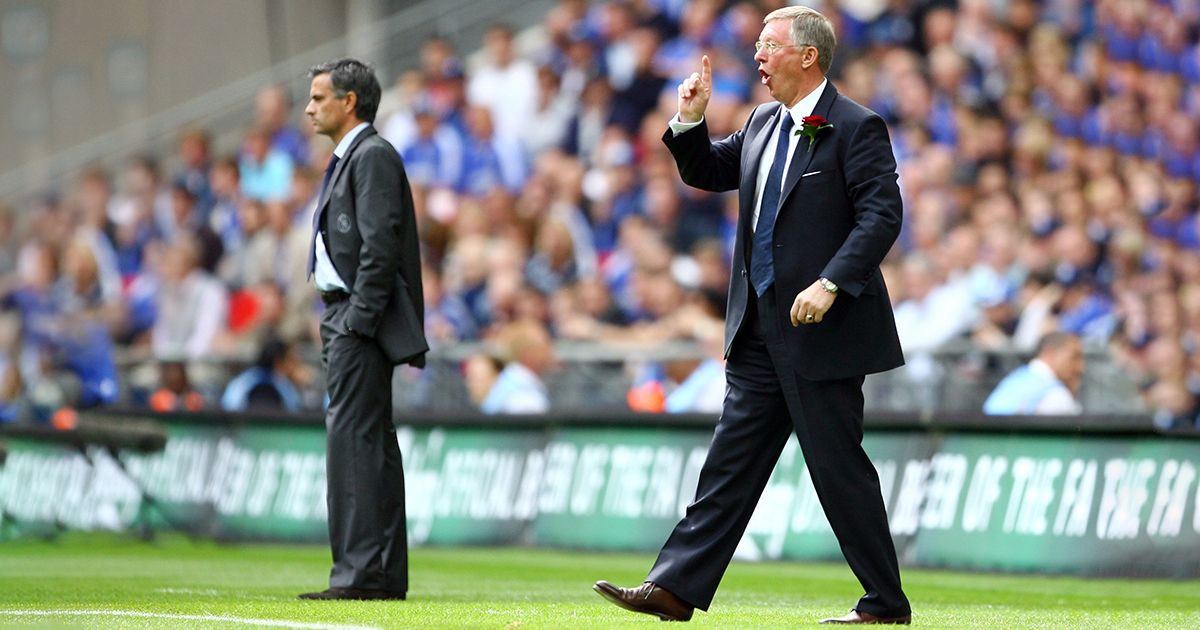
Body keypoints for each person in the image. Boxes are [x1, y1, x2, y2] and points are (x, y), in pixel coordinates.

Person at [593, 7, 912, 625]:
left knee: (838, 470)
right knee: (728, 465)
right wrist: (689, 119)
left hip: (821, 330)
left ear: (808, 56)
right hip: (759, 329)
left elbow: (882, 217)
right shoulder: (764, 121)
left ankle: (885, 602)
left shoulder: (856, 126)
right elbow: (709, 170)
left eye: (770, 46)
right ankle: (674, 587)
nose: (758, 56)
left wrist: (832, 283)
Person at [299, 58, 428, 601]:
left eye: (319, 97)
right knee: (371, 444)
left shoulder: (370, 156)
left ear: (349, 102)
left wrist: (356, 322)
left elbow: (379, 247)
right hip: (349, 314)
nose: (309, 107)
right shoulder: (359, 157)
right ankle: (380, 576)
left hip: (357, 319)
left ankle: (357, 576)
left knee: (353, 443)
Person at [983, 332, 1084, 415]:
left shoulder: (1014, 379)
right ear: (1049, 352)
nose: (1080, 368)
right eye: (1074, 357)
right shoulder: (1056, 395)